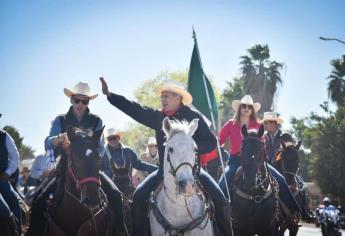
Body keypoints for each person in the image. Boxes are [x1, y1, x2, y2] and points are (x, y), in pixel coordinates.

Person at [100, 77, 232, 236]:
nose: (163, 99)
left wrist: (193, 147)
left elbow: (211, 142)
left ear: (178, 97)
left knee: (220, 199)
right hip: (162, 172)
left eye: (167, 95)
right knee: (138, 198)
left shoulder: (192, 116)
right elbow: (134, 109)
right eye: (162, 96)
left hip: (194, 171)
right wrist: (110, 96)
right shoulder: (157, 116)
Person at [28, 83, 126, 235]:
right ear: (71, 100)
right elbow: (47, 143)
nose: (80, 104)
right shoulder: (60, 120)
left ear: (88, 103)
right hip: (63, 168)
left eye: (84, 101)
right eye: (77, 100)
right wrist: (60, 138)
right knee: (39, 201)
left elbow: (100, 148)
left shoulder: (96, 121)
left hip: (91, 169)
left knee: (115, 195)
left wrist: (88, 155)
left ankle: (122, 231)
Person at [218, 95, 301, 218]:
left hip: (258, 162)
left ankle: (295, 211)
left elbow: (262, 145)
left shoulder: (257, 125)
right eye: (244, 106)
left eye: (249, 107)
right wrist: (219, 149)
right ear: (240, 108)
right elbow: (220, 141)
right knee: (222, 184)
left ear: (252, 110)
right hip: (236, 161)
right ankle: (220, 216)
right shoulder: (231, 124)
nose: (246, 109)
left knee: (281, 180)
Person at [100, 128, 157, 194]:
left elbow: (139, 164)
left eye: (114, 138)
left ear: (118, 138)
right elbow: (99, 171)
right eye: (110, 139)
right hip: (108, 190)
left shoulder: (128, 151)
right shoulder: (102, 154)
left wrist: (157, 169)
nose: (112, 140)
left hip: (128, 189)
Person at [0, 114, 22, 234]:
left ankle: (17, 230)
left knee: (13, 198)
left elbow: (15, 156)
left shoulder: (4, 136)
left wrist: (7, 173)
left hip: (1, 179)